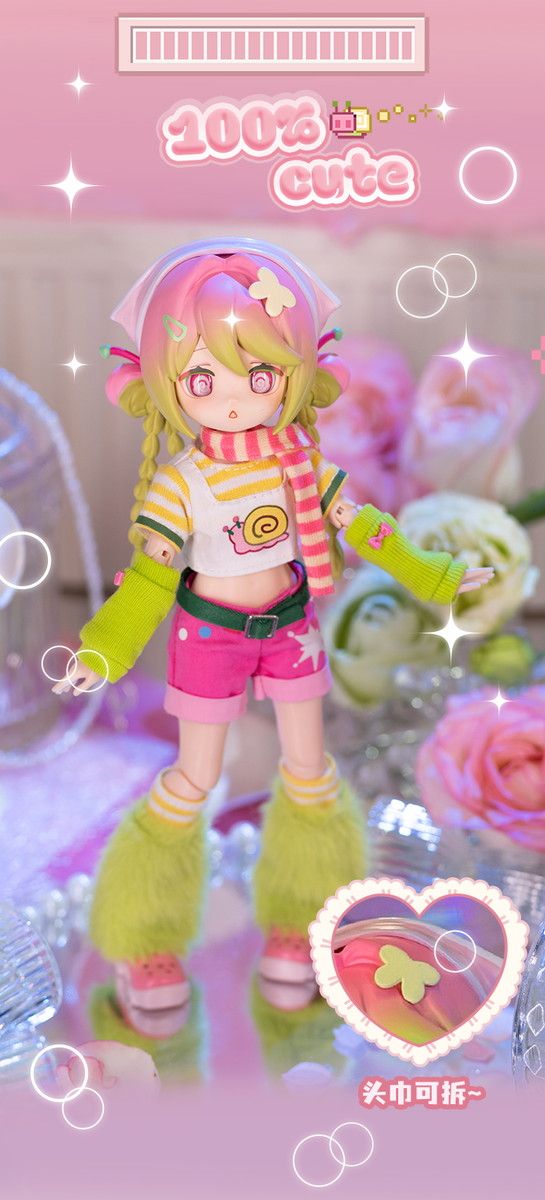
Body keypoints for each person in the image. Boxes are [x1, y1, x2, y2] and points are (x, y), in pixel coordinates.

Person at [55, 238, 493, 1015]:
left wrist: (437, 575)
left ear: (294, 372)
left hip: (289, 623)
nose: (232, 397)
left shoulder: (301, 462)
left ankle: (300, 924)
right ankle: (144, 938)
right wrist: (105, 648)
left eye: (258, 374)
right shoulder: (181, 483)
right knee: (191, 782)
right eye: (202, 378)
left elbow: (368, 529)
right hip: (209, 634)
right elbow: (151, 578)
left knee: (310, 772)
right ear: (164, 384)